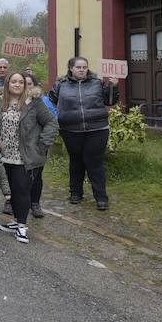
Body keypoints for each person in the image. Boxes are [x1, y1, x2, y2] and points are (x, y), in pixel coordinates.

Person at [0, 71, 58, 243]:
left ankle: (22, 226)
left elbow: (51, 122)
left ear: (25, 85)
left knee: (22, 189)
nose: (17, 85)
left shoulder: (34, 103)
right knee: (10, 190)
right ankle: (15, 221)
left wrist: (42, 144)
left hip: (24, 156)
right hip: (0, 156)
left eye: (20, 82)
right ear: (7, 84)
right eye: (13, 81)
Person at [49, 57, 119, 211]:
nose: (82, 70)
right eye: (78, 67)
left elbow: (110, 101)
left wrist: (113, 86)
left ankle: (101, 198)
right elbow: (50, 102)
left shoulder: (97, 83)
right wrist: (58, 118)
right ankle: (75, 193)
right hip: (70, 129)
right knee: (76, 161)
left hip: (97, 129)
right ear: (71, 68)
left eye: (84, 67)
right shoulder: (60, 85)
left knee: (94, 162)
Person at [24, 72, 55, 217]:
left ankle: (34, 203)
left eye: (29, 84)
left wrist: (43, 144)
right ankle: (12, 202)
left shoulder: (42, 102)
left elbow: (52, 121)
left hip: (37, 146)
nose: (25, 86)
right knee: (15, 175)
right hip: (16, 146)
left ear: (34, 85)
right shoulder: (9, 101)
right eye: (22, 83)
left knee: (35, 176)